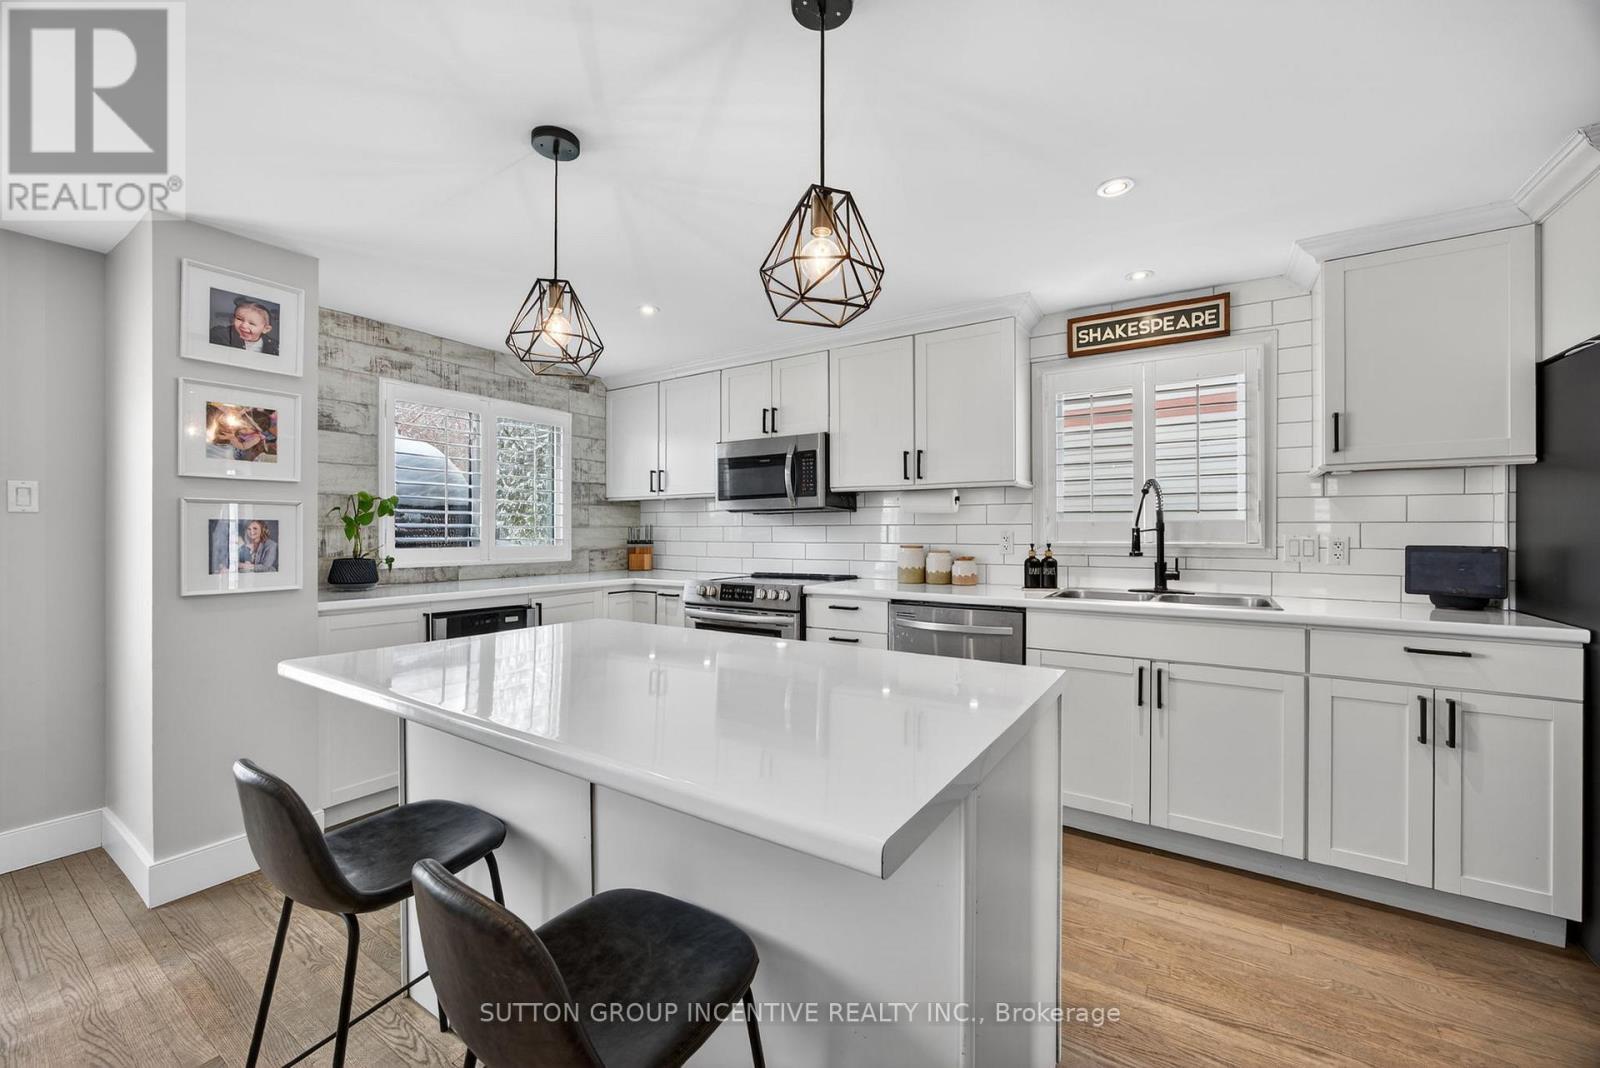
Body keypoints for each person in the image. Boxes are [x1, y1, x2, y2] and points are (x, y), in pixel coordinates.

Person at [210, 298, 279, 355]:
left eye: (252, 323)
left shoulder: (275, 346)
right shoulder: (222, 334)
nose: (243, 325)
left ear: (265, 329)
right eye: (239, 319)